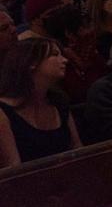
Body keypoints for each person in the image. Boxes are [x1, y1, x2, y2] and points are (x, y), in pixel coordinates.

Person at [0, 38, 82, 167]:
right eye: (55, 55)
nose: (65, 60)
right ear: (32, 62)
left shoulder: (58, 101)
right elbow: (13, 169)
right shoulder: (3, 112)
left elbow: (77, 150)